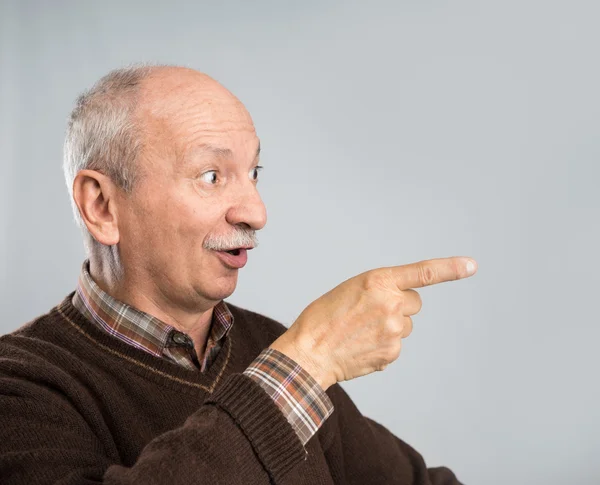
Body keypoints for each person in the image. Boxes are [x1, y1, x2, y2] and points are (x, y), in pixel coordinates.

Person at [0, 65, 478, 484]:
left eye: (254, 172)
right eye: (211, 176)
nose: (256, 211)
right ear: (101, 205)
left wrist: (299, 365)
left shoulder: (267, 346)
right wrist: (307, 364)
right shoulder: (20, 386)